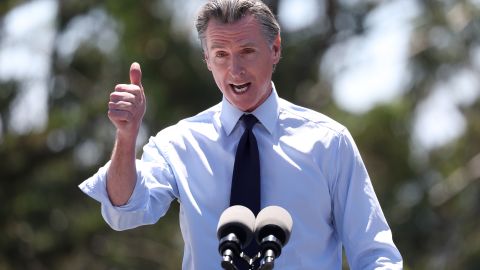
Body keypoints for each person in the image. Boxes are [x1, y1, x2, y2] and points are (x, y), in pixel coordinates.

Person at [79, 0, 403, 269]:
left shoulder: (329, 142)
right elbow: (125, 209)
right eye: (220, 54)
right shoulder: (178, 144)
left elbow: (375, 254)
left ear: (275, 49)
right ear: (207, 59)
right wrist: (126, 134)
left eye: (247, 51)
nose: (235, 70)